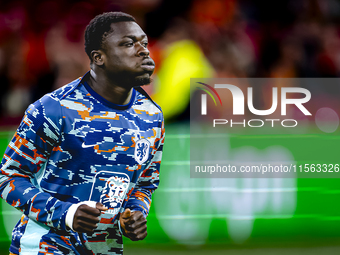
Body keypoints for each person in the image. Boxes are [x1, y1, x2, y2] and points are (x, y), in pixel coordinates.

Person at [0, 11, 164, 255]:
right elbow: (9, 176)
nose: (143, 51)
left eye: (144, 43)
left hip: (105, 249)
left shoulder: (151, 116)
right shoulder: (54, 108)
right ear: (99, 57)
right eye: (128, 44)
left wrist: (135, 212)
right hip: (44, 247)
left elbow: (145, 183)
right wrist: (65, 214)